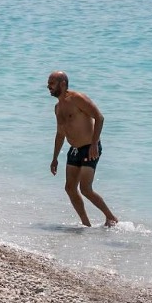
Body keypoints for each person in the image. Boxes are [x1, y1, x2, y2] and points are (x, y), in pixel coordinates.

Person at [48, 71, 118, 227]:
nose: (48, 87)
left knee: (85, 188)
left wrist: (94, 143)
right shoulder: (57, 108)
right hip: (74, 150)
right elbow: (60, 134)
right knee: (69, 188)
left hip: (89, 147)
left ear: (63, 84)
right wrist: (54, 158)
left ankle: (111, 218)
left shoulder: (77, 98)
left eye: (52, 83)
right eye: (49, 83)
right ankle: (86, 224)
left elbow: (99, 117)